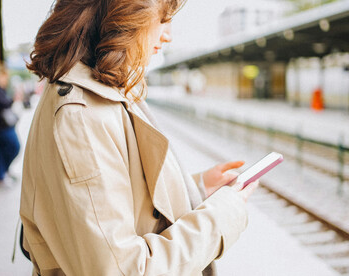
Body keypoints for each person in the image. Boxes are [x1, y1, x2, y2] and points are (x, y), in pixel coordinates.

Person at [20, 0, 259, 275]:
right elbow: (125, 269)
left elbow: (116, 200)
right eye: (163, 19)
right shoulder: (82, 118)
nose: (167, 35)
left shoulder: (102, 93)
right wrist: (223, 215)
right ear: (128, 15)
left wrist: (198, 188)